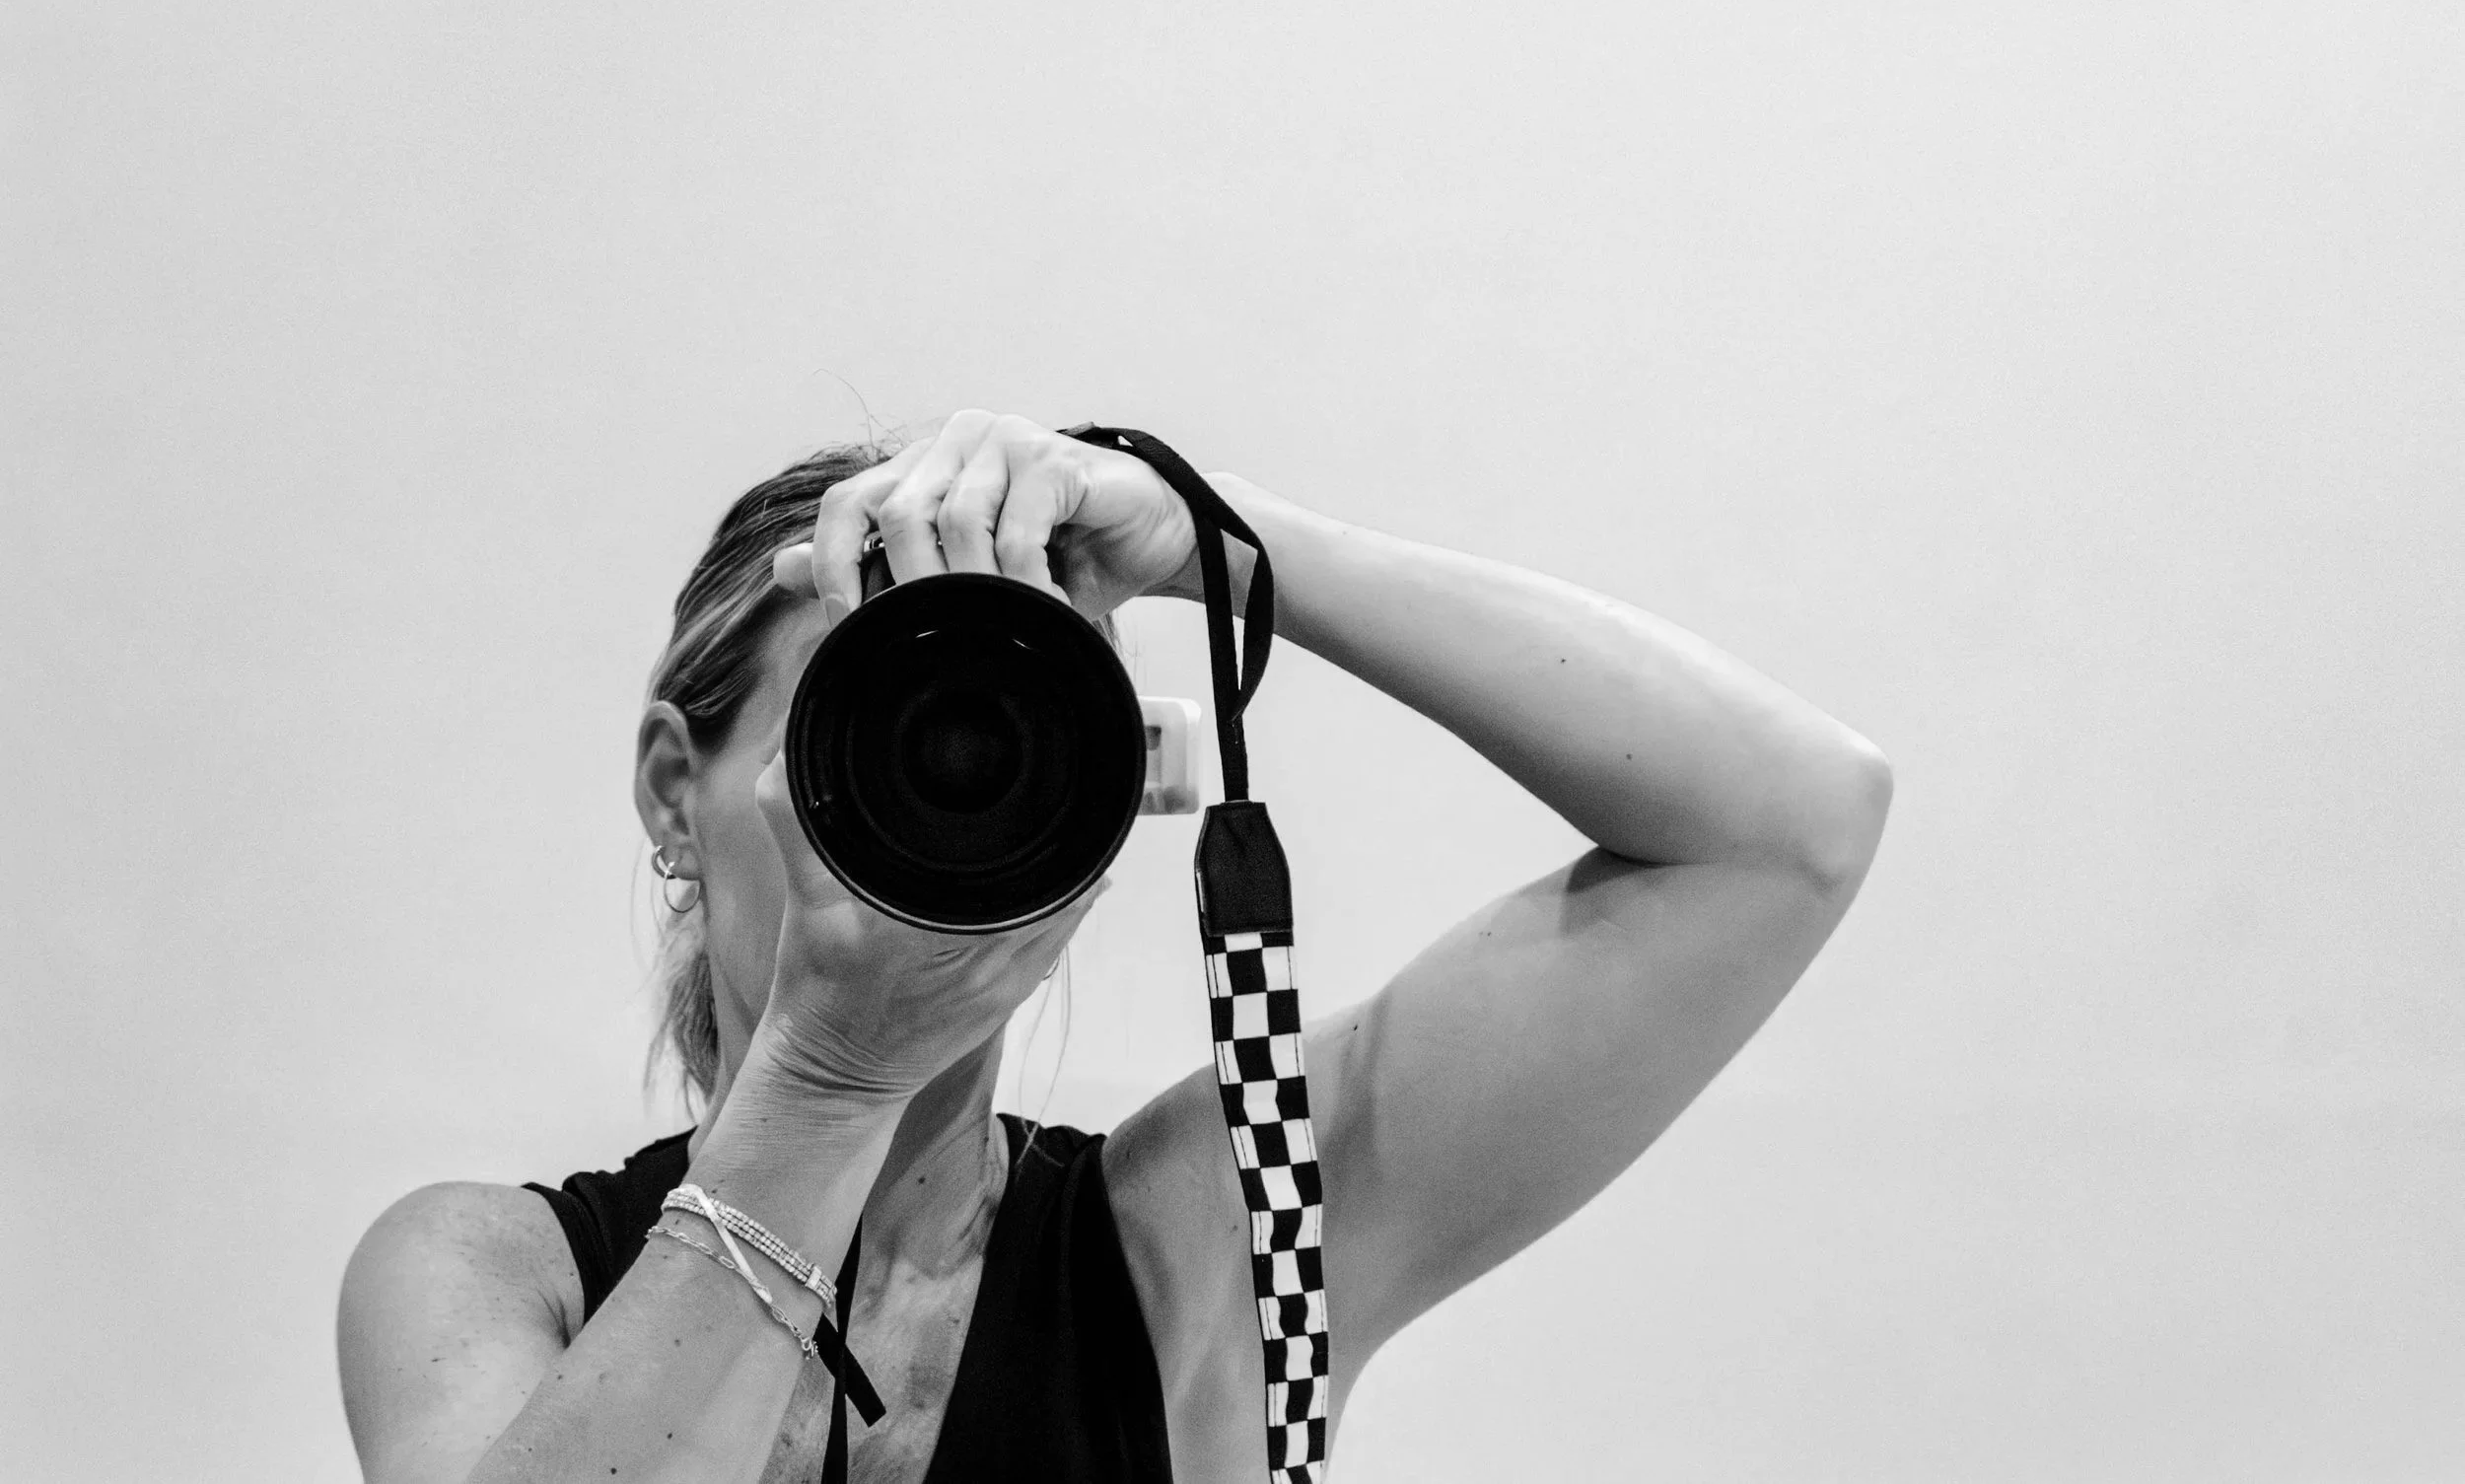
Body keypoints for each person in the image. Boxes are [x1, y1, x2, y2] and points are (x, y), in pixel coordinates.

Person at [338, 408, 1891, 1484]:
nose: (929, 795)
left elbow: (1787, 822)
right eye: (856, 731)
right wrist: (827, 1081)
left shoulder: (1211, 1239)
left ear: (1100, 793)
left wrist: (1210, 538)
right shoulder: (485, 1276)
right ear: (678, 787)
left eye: (995, 738)